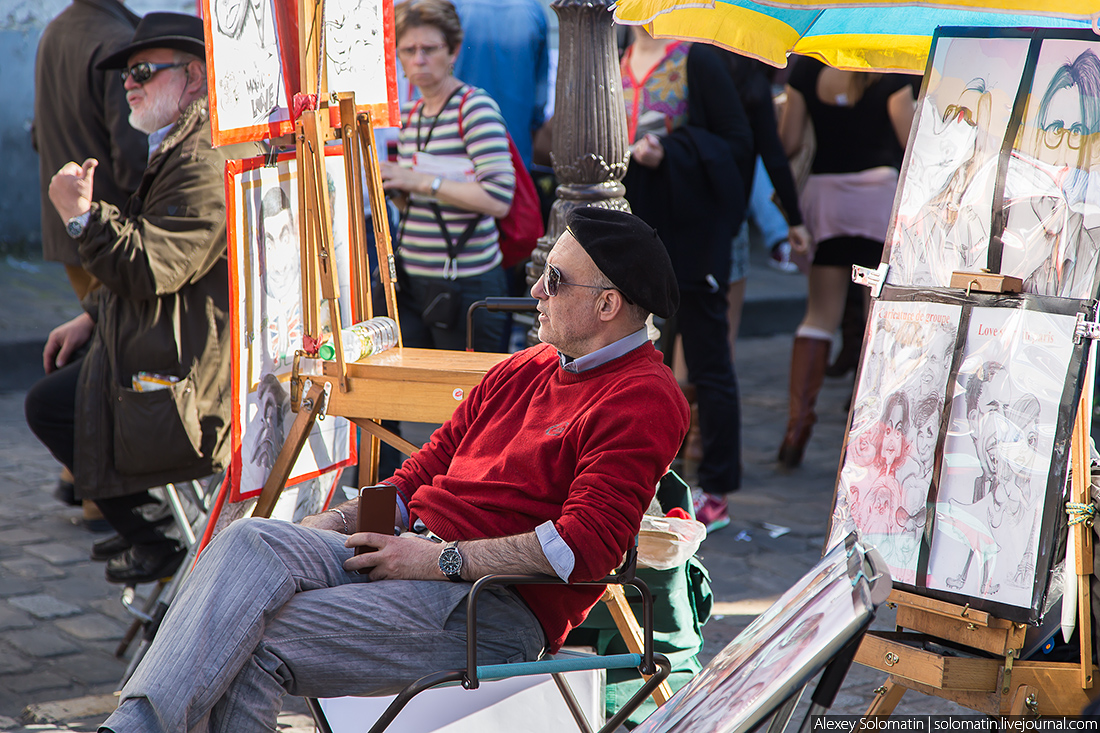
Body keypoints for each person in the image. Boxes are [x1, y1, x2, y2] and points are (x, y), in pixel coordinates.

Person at [97, 207, 689, 732]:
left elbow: (584, 547)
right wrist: (338, 520)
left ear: (607, 304)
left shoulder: (643, 396)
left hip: (492, 604)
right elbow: (422, 472)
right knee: (248, 540)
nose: (535, 289)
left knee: (251, 641)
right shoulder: (531, 364)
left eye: (553, 280)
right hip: (415, 557)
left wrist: (433, 560)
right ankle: (132, 725)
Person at [23, 13, 251, 585]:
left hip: (193, 364)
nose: (130, 83)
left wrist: (81, 219)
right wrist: (90, 313)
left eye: (144, 71)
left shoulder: (199, 159)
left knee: (52, 404)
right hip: (170, 330)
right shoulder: (177, 142)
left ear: (194, 77)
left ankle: (159, 537)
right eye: (126, 74)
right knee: (64, 377)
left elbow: (151, 266)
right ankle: (151, 533)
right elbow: (156, 256)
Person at [620, 26, 753, 533]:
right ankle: (646, 476)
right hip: (635, 230)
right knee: (633, 357)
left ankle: (716, 486)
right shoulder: (615, 55)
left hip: (692, 236)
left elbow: (738, 144)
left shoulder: (695, 60)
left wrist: (669, 151)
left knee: (707, 358)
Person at [32, 0, 149, 526]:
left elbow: (39, 131)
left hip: (71, 220)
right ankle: (100, 494)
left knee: (98, 346)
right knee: (108, 357)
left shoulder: (57, 29)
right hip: (107, 228)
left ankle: (74, 476)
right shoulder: (114, 37)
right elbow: (130, 152)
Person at [776, 59, 915, 469]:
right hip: (878, 199)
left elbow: (789, 143)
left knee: (817, 317)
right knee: (880, 320)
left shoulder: (806, 68)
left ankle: (795, 430)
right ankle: (876, 435)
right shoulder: (891, 64)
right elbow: (911, 139)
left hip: (827, 199)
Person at [381, 0, 515, 353]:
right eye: (408, 50)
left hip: (467, 286)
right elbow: (415, 198)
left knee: (468, 399)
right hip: (412, 283)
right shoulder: (410, 115)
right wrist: (395, 188)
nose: (418, 60)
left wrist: (418, 181)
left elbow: (499, 199)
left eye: (429, 49)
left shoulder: (474, 107)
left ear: (453, 50)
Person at [451, 0, 548, 172]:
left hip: (458, 140)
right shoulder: (533, 10)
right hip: (515, 138)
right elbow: (540, 94)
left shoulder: (456, 8)